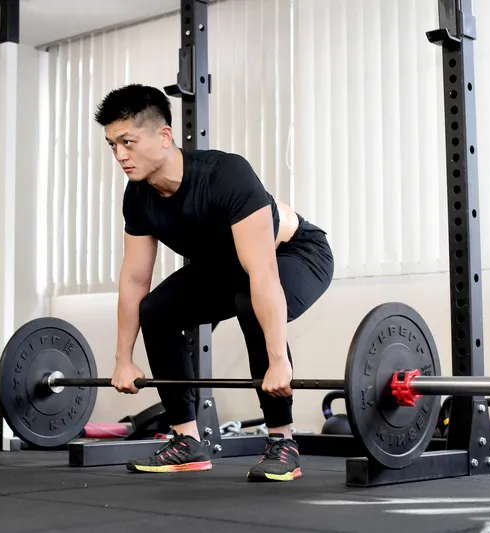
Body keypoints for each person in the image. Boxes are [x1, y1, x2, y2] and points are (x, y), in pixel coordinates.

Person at [94, 84, 334, 482]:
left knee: (248, 300)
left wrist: (279, 362)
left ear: (164, 136)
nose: (119, 155)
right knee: (156, 310)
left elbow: (262, 274)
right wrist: (123, 357)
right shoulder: (138, 196)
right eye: (112, 144)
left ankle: (282, 441)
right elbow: (135, 280)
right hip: (230, 266)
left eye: (128, 142)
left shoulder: (225, 175)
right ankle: (186, 440)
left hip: (295, 253)